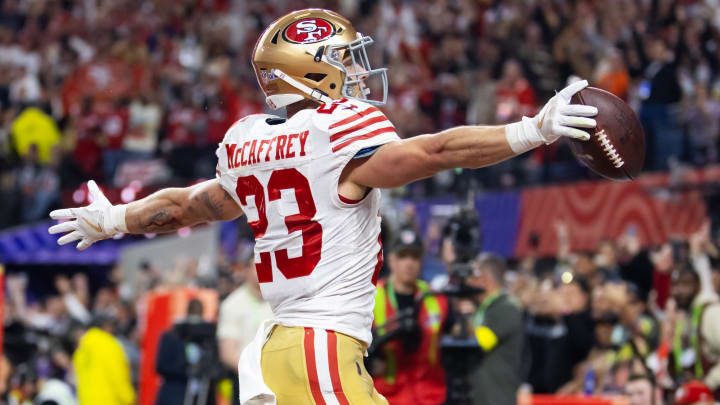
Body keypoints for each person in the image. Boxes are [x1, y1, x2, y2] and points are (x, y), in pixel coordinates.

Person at [48, 8, 597, 405]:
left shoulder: (247, 140)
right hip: (320, 348)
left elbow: (193, 204)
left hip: (278, 351)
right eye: (342, 60)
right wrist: (530, 130)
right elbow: (434, 151)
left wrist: (115, 219)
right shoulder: (337, 132)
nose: (356, 72)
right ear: (308, 72)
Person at [371, 229, 448, 405]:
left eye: (414, 257)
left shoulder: (437, 299)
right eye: (403, 256)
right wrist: (369, 364)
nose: (409, 263)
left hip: (429, 396)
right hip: (388, 397)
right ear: (391, 259)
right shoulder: (371, 298)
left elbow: (455, 332)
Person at [461, 254, 524, 405]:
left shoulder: (506, 308)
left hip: (497, 397)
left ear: (484, 278)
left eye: (472, 276)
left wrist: (465, 317)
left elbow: (483, 340)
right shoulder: (485, 308)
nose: (468, 282)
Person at [218, 257, 273, 405]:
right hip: (249, 387)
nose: (263, 270)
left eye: (267, 265)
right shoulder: (233, 304)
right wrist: (257, 375)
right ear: (246, 271)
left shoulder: (280, 301)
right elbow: (228, 353)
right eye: (257, 266)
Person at [669, 265, 720, 396]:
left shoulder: (711, 313)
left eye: (685, 284)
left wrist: (707, 383)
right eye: (674, 285)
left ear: (698, 286)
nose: (677, 291)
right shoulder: (686, 317)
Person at [72, 314, 135, 405]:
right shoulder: (109, 344)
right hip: (109, 401)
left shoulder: (81, 348)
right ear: (105, 326)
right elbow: (117, 375)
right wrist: (129, 399)